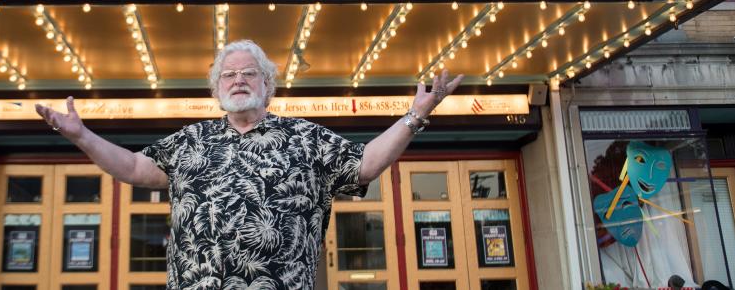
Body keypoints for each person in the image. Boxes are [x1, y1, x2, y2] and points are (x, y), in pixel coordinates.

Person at [35, 39, 462, 289]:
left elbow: (365, 164)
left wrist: (415, 116)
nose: (238, 80)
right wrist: (82, 136)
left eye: (249, 73)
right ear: (216, 88)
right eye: (228, 75)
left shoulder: (305, 138)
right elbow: (130, 167)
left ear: (268, 85)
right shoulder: (191, 140)